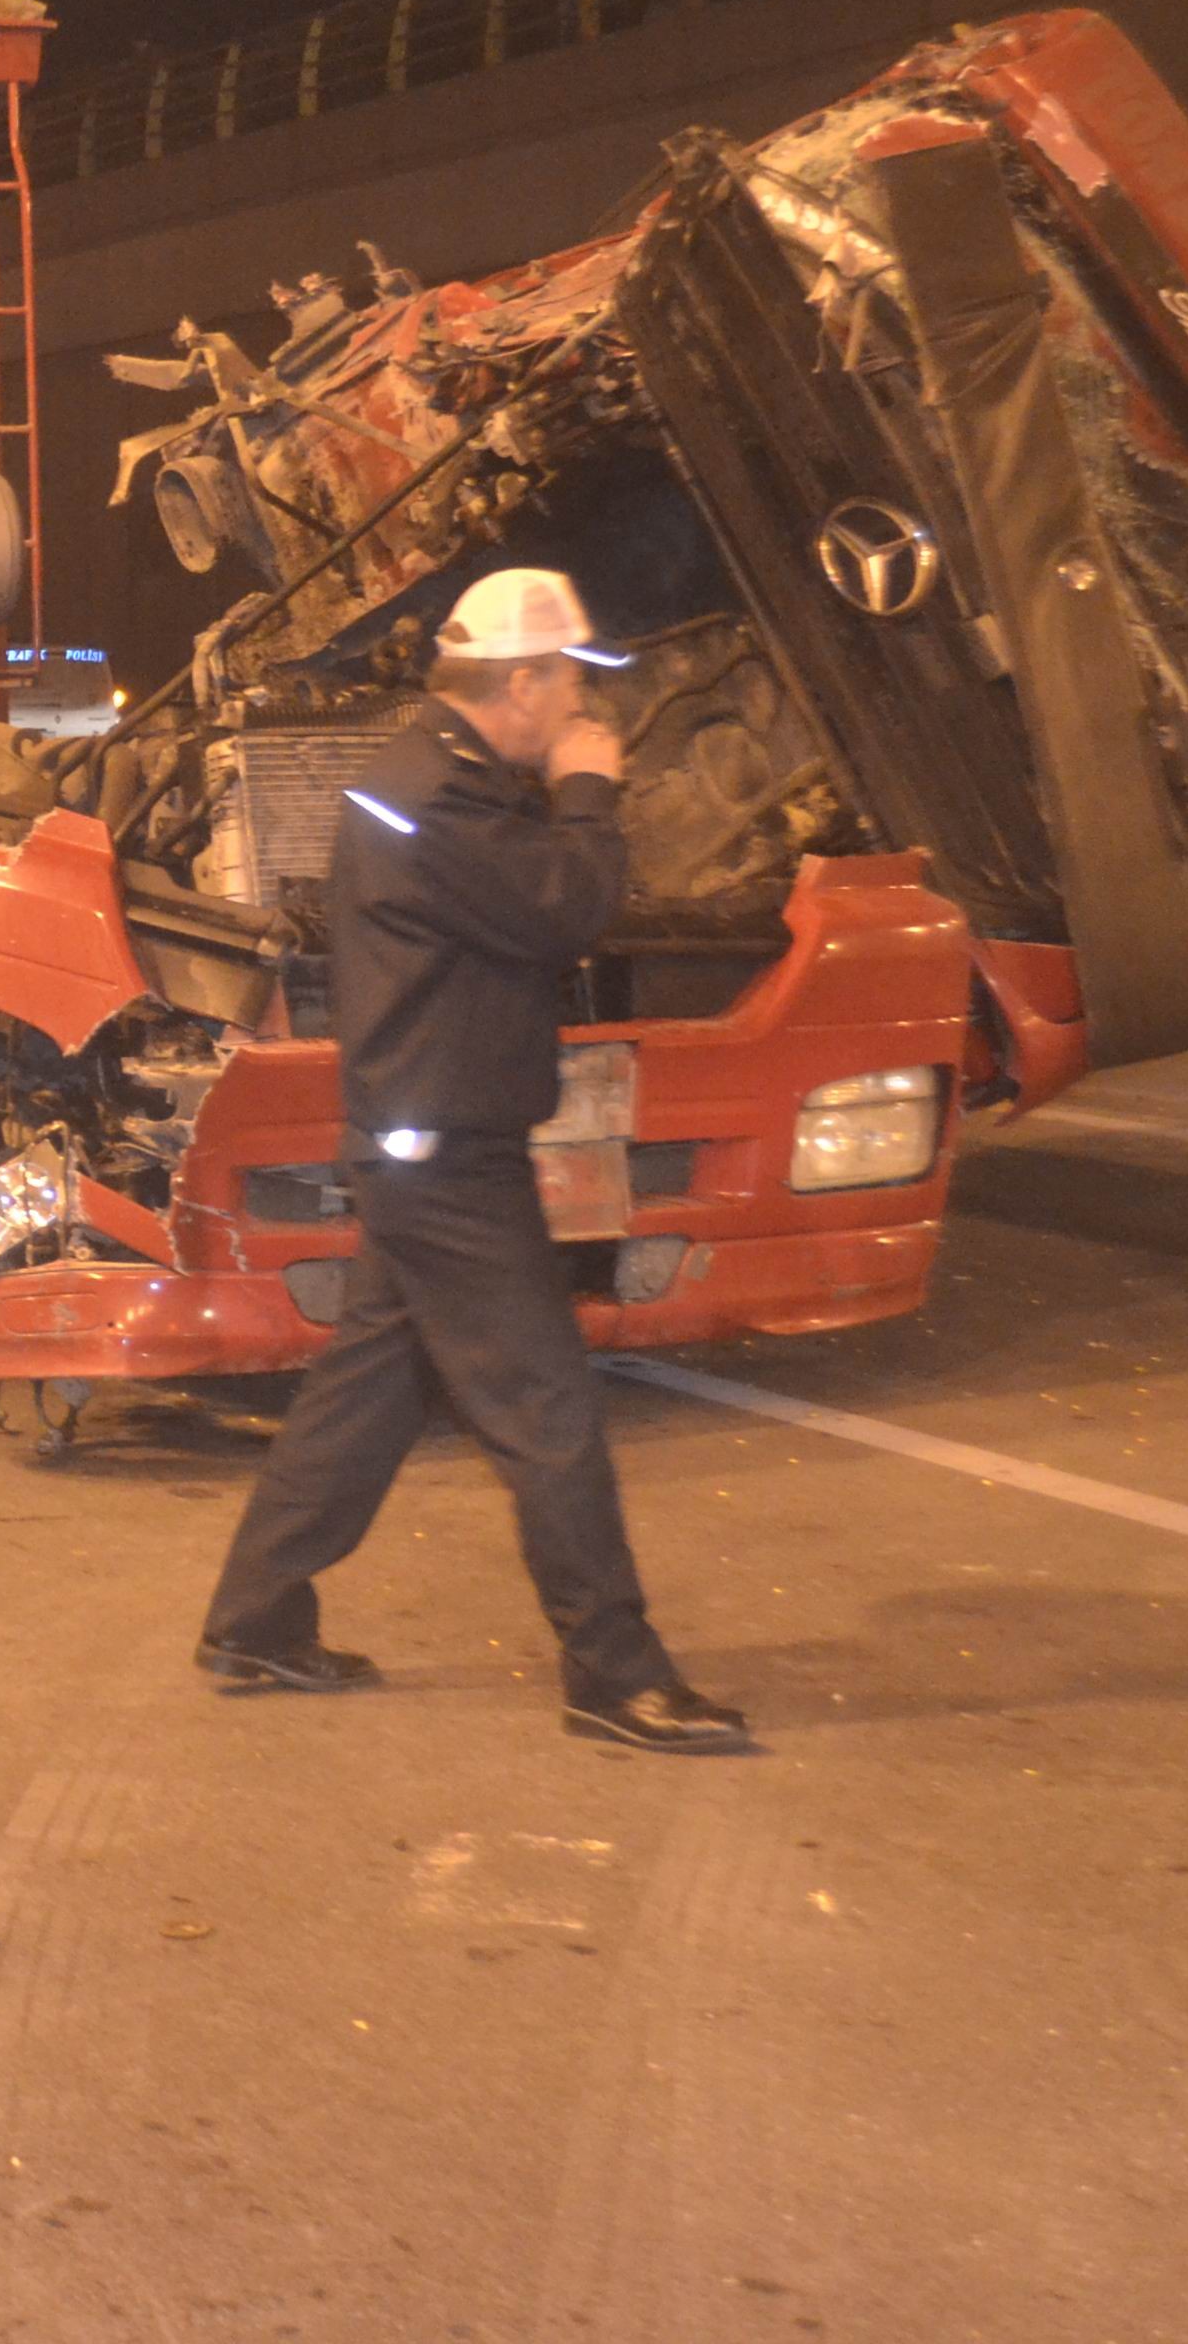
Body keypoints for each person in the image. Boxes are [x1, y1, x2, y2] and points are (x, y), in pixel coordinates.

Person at [194, 567, 747, 1754]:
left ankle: (256, 1619)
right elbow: (566, 907)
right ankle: (615, 1674)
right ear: (527, 680)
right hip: (446, 1162)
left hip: (424, 1143)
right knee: (549, 1407)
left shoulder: (437, 783)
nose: (580, 708)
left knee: (369, 1395)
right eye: (570, 684)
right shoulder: (433, 802)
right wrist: (590, 793)